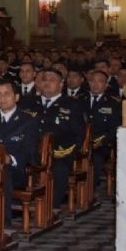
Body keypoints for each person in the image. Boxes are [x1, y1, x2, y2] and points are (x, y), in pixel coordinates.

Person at [0, 80, 40, 225]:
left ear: (16, 97)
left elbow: (30, 150)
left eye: (6, 94)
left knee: (2, 171)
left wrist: (11, 159)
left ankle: (1, 221)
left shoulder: (28, 120)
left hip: (18, 169)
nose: (2, 98)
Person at [38, 68, 84, 209]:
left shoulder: (72, 104)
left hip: (60, 152)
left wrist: (67, 152)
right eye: (45, 79)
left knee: (58, 169)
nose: (47, 83)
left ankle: (51, 207)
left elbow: (78, 134)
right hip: (32, 150)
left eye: (52, 80)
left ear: (61, 84)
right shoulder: (29, 102)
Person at [83, 70, 122, 187]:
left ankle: (88, 190)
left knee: (95, 158)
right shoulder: (79, 99)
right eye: (92, 81)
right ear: (88, 83)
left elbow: (114, 129)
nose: (95, 84)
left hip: (101, 144)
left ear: (106, 85)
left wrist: (94, 142)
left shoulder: (114, 103)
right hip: (79, 142)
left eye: (100, 82)